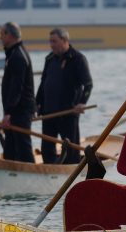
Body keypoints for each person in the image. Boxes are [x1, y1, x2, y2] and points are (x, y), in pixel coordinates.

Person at [36, 27, 93, 164]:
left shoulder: (78, 58)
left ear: (65, 40)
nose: (51, 45)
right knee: (47, 148)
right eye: (50, 41)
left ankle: (71, 172)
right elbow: (43, 83)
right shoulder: (49, 59)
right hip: (49, 113)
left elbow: (88, 84)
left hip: (68, 112)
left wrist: (82, 102)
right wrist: (36, 104)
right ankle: (49, 171)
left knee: (71, 150)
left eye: (54, 41)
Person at [0, 22, 36, 162]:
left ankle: (30, 174)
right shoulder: (12, 54)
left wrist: (9, 113)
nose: (0, 38)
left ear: (9, 35)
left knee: (23, 147)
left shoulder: (18, 56)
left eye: (2, 34)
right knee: (10, 149)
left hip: (20, 111)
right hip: (13, 111)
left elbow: (17, 88)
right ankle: (10, 173)